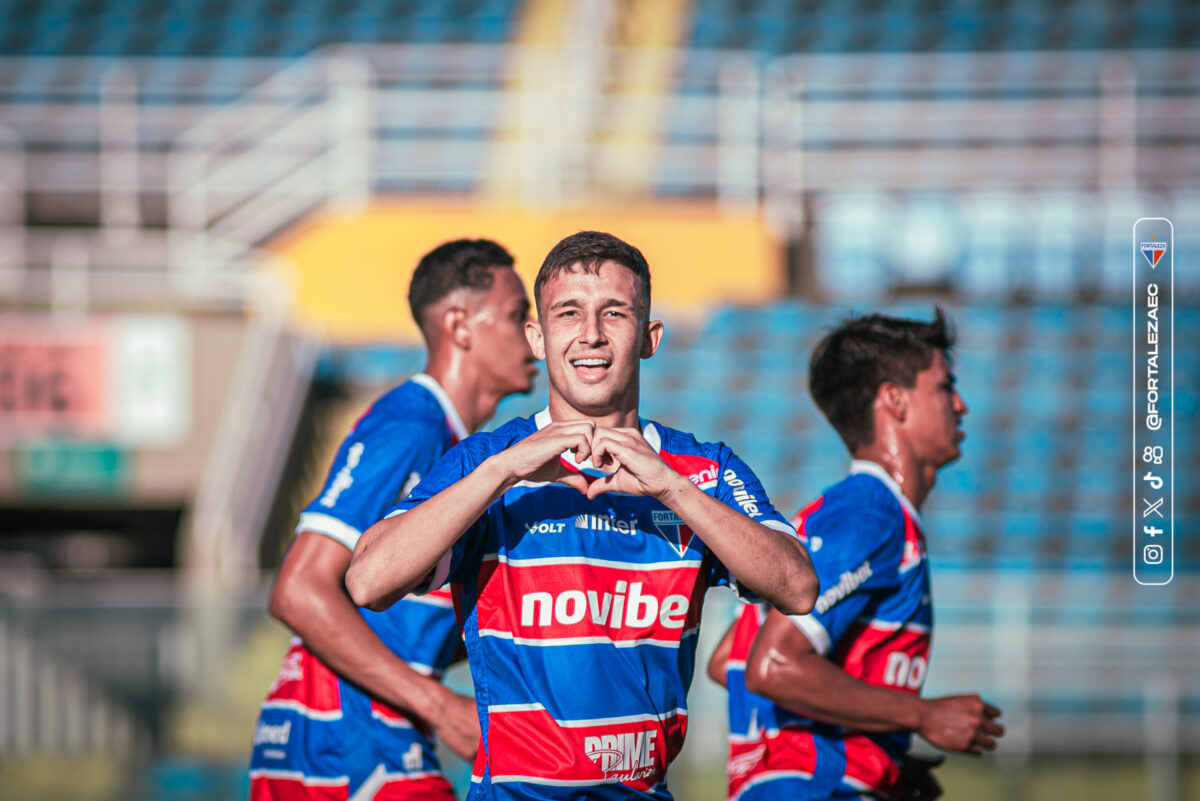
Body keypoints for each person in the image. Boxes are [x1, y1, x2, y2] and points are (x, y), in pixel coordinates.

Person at [345, 231, 819, 800]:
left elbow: (797, 587)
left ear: (649, 338)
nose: (590, 334)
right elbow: (367, 581)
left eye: (613, 313)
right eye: (568, 313)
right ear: (538, 337)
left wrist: (671, 488)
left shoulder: (702, 470)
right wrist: (502, 471)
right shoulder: (486, 463)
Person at [249, 239, 539, 800]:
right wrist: (439, 705)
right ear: (459, 326)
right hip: (343, 735)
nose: (534, 333)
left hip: (363, 729)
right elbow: (298, 588)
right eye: (515, 315)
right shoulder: (414, 428)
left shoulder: (457, 446)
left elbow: (407, 620)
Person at [708, 309, 1004, 801]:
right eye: (944, 386)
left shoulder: (832, 518)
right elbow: (773, 665)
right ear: (895, 401)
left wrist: (877, 743)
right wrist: (922, 716)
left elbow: (728, 660)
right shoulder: (870, 515)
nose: (961, 404)